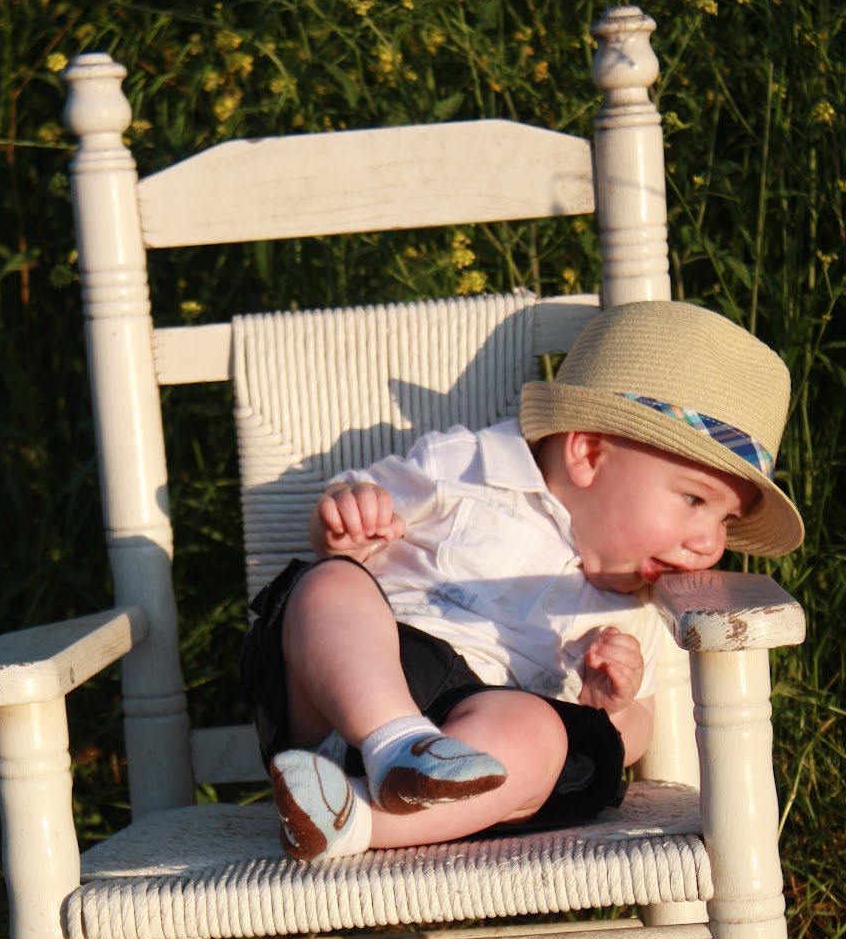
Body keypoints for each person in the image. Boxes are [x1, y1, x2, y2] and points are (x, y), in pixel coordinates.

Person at [239, 299, 804, 863]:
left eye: (725, 521)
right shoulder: (469, 465)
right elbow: (346, 520)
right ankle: (397, 744)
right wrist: (347, 526)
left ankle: (348, 819)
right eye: (693, 499)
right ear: (587, 453)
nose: (709, 543)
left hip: (475, 757)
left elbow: (633, 737)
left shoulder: (637, 608)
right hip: (352, 699)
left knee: (541, 736)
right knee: (329, 585)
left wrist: (612, 706)